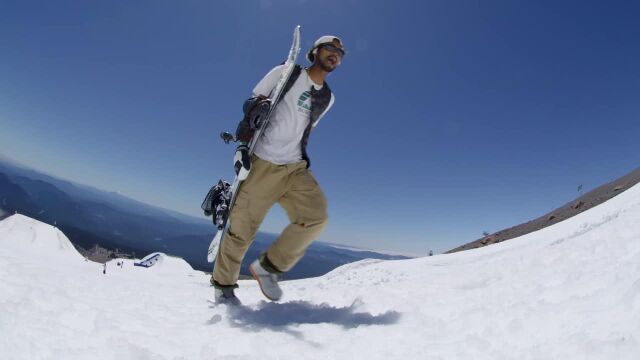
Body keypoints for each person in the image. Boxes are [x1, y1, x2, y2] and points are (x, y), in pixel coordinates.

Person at [211, 35, 345, 302]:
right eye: (330, 49)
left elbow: (307, 128)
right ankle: (223, 287)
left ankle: (268, 268)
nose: (336, 55)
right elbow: (251, 102)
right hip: (263, 161)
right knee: (241, 231)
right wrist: (255, 110)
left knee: (315, 217)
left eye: (341, 53)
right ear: (315, 52)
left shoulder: (328, 98)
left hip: (294, 166)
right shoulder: (286, 72)